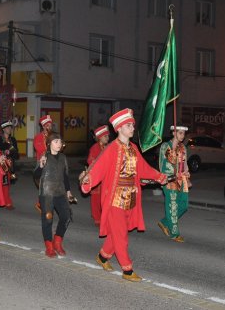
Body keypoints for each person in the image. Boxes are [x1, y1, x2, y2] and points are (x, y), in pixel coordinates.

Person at [79, 109, 167, 282]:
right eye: (129, 125)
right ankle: (127, 269)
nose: (132, 127)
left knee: (119, 231)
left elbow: (143, 168)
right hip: (115, 199)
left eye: (132, 125)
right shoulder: (111, 149)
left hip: (131, 197)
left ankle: (103, 256)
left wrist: (159, 176)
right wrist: (88, 181)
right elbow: (99, 168)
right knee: (121, 235)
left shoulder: (133, 148)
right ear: (119, 128)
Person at [35, 133, 75, 258]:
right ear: (49, 143)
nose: (59, 144)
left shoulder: (63, 157)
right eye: (56, 141)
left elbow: (66, 176)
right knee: (48, 219)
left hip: (60, 192)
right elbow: (35, 176)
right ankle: (49, 246)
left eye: (60, 141)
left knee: (66, 216)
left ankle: (57, 242)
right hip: (47, 193)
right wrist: (41, 166)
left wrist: (68, 192)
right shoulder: (44, 156)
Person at [158, 125, 191, 243]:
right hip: (170, 181)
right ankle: (174, 233)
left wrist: (187, 174)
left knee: (183, 205)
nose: (182, 135)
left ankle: (165, 222)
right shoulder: (165, 146)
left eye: (183, 133)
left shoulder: (183, 147)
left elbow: (185, 163)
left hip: (182, 180)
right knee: (172, 206)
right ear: (173, 133)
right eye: (180, 133)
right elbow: (165, 163)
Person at [86, 125, 110, 226]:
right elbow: (90, 161)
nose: (108, 138)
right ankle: (97, 217)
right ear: (100, 137)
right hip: (97, 176)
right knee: (96, 198)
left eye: (108, 136)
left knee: (105, 197)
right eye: (105, 137)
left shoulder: (108, 147)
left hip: (106, 176)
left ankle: (104, 216)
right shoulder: (95, 148)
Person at [0, 120, 19, 210]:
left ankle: (5, 201)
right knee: (2, 184)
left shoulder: (13, 140)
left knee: (7, 184)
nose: (9, 129)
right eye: (8, 128)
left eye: (10, 127)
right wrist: (4, 151)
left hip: (11, 165)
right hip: (1, 165)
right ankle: (4, 202)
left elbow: (16, 154)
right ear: (3, 129)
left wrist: (11, 151)